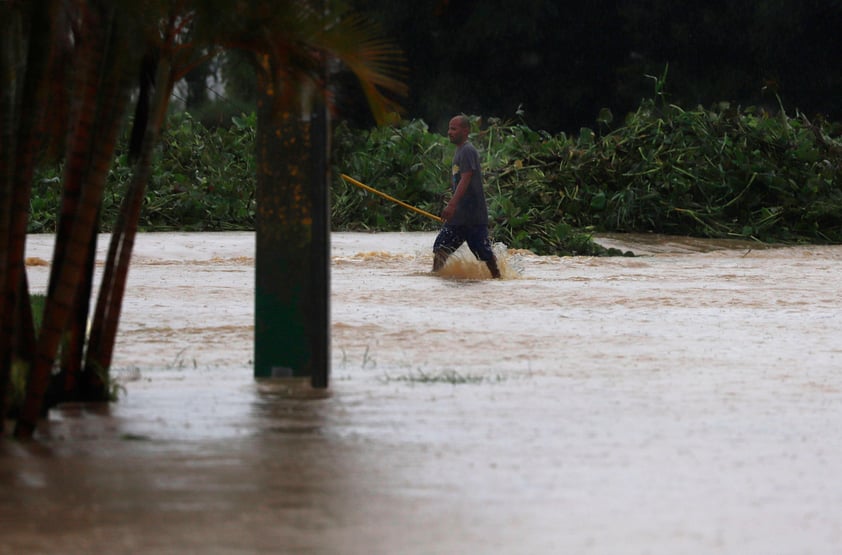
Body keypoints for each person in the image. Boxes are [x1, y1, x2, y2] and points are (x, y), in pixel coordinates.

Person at [432, 115, 501, 278]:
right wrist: (454, 206)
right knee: (441, 248)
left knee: (484, 254)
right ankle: (434, 277)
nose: (450, 132)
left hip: (473, 217)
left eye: (454, 129)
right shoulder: (459, 152)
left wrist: (451, 205)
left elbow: (466, 177)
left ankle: (499, 279)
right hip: (459, 217)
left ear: (465, 130)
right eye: (449, 128)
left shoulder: (468, 151)